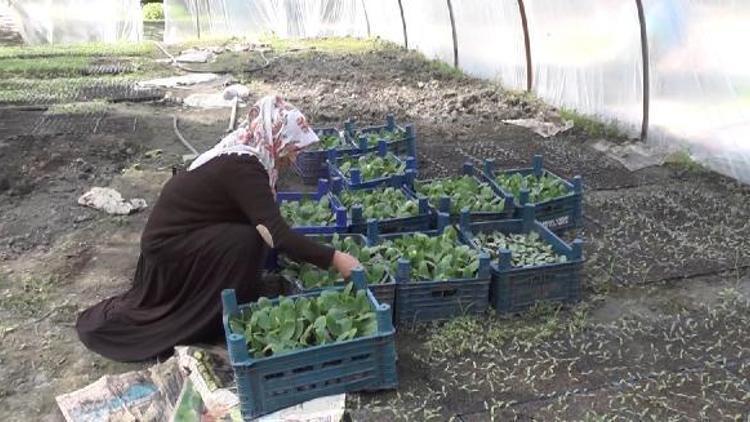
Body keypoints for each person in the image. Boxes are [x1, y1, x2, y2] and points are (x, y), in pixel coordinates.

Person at [76, 94, 361, 362]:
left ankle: (227, 295)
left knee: (254, 234)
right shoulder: (245, 166)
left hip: (173, 238)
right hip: (169, 248)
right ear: (275, 137)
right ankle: (206, 315)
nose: (293, 158)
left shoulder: (247, 151)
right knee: (249, 240)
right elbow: (278, 234)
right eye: (291, 148)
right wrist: (336, 259)